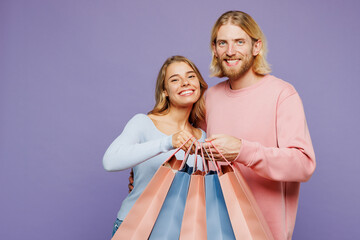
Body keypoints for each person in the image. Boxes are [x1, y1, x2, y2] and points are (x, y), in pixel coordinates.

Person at [203, 11, 316, 240]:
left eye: (239, 42)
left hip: (264, 233)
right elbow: (185, 139)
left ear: (256, 47)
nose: (230, 51)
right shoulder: (210, 97)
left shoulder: (282, 94)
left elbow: (304, 164)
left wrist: (243, 151)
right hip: (214, 231)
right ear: (214, 49)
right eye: (223, 42)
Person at [102, 55, 208, 237]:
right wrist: (167, 142)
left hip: (177, 233)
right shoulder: (143, 123)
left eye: (190, 76)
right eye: (175, 79)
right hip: (136, 227)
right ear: (165, 91)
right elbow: (110, 161)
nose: (184, 82)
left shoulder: (203, 137)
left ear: (198, 83)